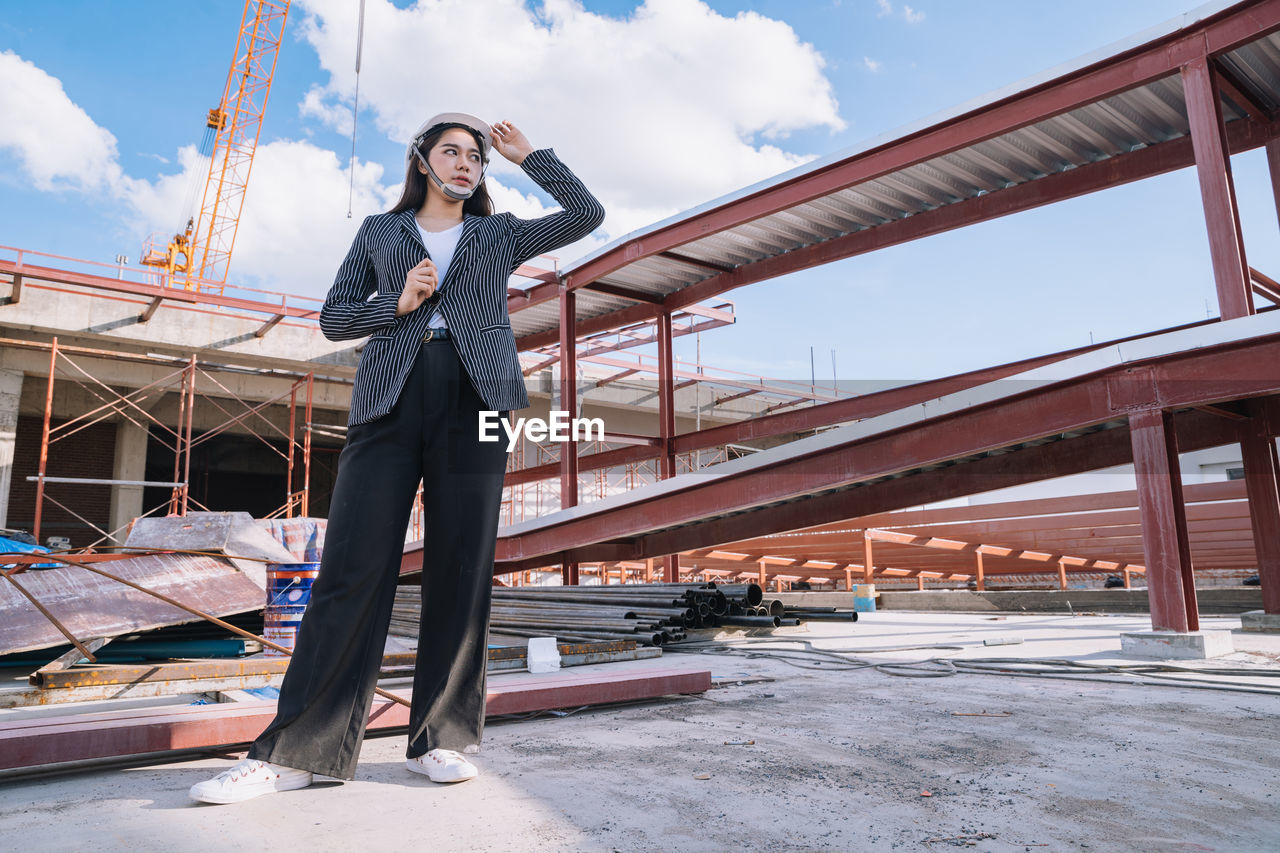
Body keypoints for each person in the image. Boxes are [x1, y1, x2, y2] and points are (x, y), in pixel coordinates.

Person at [189, 113, 604, 804]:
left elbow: (586, 213)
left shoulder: (498, 235)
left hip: (477, 396)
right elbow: (334, 317)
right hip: (389, 395)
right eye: (452, 150)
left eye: (476, 155)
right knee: (351, 568)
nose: (467, 162)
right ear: (421, 159)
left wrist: (530, 155)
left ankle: (441, 738)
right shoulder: (380, 233)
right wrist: (396, 301)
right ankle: (296, 749)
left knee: (461, 568)